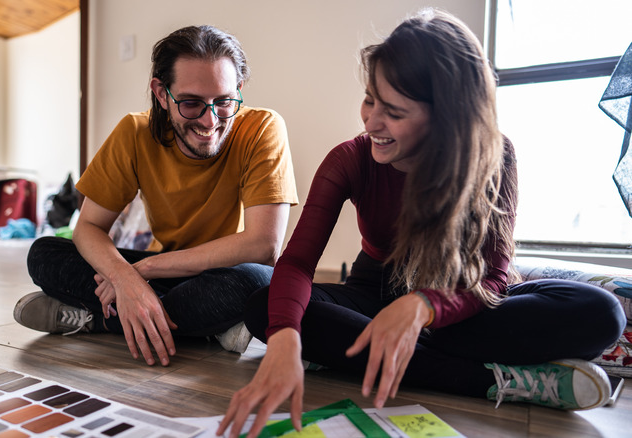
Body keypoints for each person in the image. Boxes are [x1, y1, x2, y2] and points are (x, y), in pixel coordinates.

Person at [218, 9, 627, 438]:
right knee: (265, 308)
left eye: (393, 111)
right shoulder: (349, 159)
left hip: (461, 303)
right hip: (374, 292)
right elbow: (299, 262)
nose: (371, 122)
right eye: (369, 99)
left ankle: (381, 353)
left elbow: (490, 279)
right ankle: (497, 380)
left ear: (446, 117)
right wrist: (284, 336)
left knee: (601, 312)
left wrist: (424, 308)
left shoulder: (495, 154)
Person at [13, 25, 298, 368]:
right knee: (44, 253)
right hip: (170, 276)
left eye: (223, 102)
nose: (210, 121)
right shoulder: (134, 132)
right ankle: (207, 327)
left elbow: (264, 245)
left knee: (257, 283)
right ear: (162, 94)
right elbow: (88, 226)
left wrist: (140, 272)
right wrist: (125, 277)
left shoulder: (263, 127)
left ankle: (98, 320)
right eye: (191, 103)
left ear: (238, 91)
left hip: (225, 271)